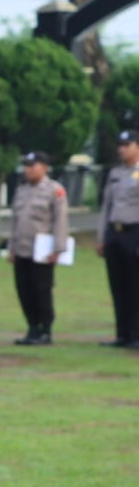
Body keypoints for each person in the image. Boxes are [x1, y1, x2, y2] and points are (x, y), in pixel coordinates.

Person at [7, 151, 68, 346]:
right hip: (23, 249)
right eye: (26, 165)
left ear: (44, 167)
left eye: (32, 165)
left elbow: (61, 221)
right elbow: (15, 222)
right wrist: (11, 248)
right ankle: (32, 328)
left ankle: (45, 330)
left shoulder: (54, 190)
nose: (28, 169)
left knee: (42, 291)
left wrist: (58, 249)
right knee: (24, 290)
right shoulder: (22, 190)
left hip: (43, 252)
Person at [97, 129, 139, 347]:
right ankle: (122, 334)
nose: (121, 149)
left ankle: (136, 334)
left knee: (135, 286)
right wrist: (102, 236)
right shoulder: (116, 173)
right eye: (120, 145)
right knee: (118, 286)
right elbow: (106, 206)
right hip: (115, 233)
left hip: (135, 233)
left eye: (127, 145)